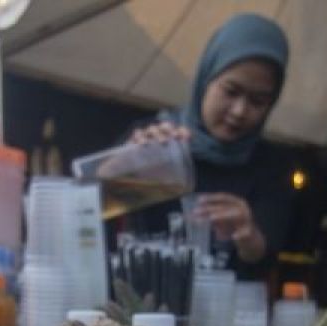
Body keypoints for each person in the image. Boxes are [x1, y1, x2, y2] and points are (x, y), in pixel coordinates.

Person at [120, 13, 293, 277]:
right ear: (205, 79)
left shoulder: (269, 166)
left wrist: (249, 236)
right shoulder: (155, 140)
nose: (239, 111)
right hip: (141, 312)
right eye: (231, 91)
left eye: (257, 101)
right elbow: (92, 206)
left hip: (230, 313)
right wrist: (128, 161)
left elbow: (265, 256)